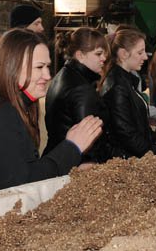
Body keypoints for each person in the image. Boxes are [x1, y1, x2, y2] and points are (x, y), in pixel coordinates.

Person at [0, 29, 102, 195]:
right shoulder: (1, 112)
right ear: (12, 67)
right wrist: (72, 147)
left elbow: (24, 168)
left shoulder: (14, 106)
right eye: (39, 67)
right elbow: (20, 184)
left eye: (48, 67)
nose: (47, 75)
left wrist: (73, 166)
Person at [44, 28, 110, 162]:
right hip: (74, 163)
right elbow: (90, 139)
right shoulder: (82, 88)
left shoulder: (62, 75)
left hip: (57, 155)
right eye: (98, 54)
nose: (104, 58)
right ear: (80, 55)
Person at [101, 27, 156, 159]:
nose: (146, 57)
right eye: (140, 52)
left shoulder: (126, 80)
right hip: (124, 158)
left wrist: (153, 139)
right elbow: (125, 133)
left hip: (132, 153)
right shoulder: (118, 86)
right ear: (124, 54)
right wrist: (152, 150)